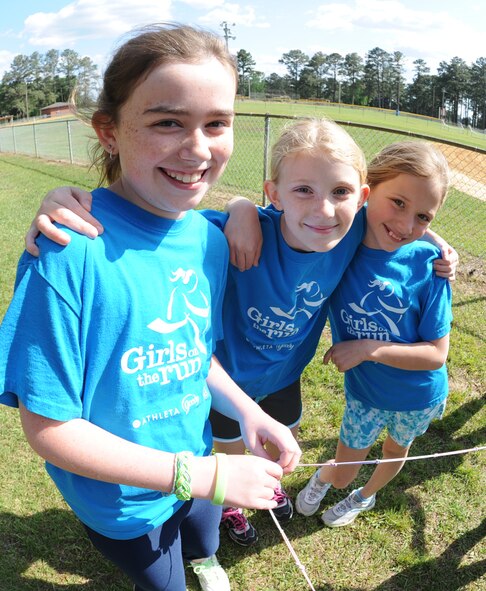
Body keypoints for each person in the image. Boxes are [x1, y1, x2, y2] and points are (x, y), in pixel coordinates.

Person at [24, 120, 457, 549]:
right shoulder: (229, 234)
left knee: (277, 441)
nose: (324, 209)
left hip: (285, 376)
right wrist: (239, 208)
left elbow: (398, 222)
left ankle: (267, 486)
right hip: (225, 381)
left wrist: (438, 244)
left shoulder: (348, 230)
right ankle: (229, 503)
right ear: (274, 194)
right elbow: (170, 230)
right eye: (303, 190)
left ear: (359, 198)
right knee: (228, 449)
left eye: (340, 193)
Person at [0, 24, 302, 591]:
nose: (197, 148)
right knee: (161, 580)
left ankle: (205, 558)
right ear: (109, 132)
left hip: (200, 459)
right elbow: (48, 428)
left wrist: (247, 412)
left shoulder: (208, 240)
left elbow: (193, 352)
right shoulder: (67, 252)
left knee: (204, 540)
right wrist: (201, 473)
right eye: (167, 122)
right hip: (124, 502)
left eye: (217, 123)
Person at [295, 141, 453, 527]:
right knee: (345, 466)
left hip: (418, 396)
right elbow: (284, 214)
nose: (406, 226)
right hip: (365, 396)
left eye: (423, 217)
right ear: (368, 189)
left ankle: (364, 497)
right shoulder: (334, 240)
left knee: (396, 451)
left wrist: (368, 349)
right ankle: (326, 477)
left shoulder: (430, 267)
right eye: (397, 202)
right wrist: (241, 211)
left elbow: (436, 353)